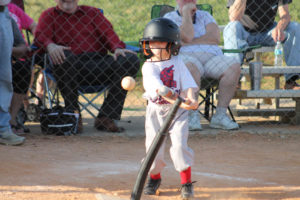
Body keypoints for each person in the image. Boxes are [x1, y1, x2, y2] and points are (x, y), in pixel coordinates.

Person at [34, 0, 140, 133]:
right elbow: (39, 37)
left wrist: (117, 48)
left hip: (98, 62)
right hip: (68, 66)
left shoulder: (92, 13)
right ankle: (73, 115)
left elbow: (109, 34)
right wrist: (50, 45)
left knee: (129, 59)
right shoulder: (49, 15)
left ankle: (107, 116)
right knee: (64, 56)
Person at [140, 18, 198, 199]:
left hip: (177, 113)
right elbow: (161, 90)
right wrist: (178, 99)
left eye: (160, 41)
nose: (155, 46)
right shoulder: (148, 67)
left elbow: (188, 84)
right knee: (153, 151)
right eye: (152, 42)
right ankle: (155, 178)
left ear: (171, 44)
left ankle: (186, 184)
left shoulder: (178, 62)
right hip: (156, 112)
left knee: (180, 147)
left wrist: (191, 98)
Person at [164, 0, 241, 130]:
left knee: (234, 66)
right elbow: (187, 36)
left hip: (212, 59)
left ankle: (220, 116)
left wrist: (188, 42)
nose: (189, 2)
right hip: (187, 59)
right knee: (190, 67)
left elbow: (215, 38)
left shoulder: (205, 15)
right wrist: (187, 15)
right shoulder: (169, 18)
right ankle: (192, 114)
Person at [224, 0, 300, 90]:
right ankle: (233, 79)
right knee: (231, 27)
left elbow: (285, 15)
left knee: (294, 27)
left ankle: (291, 80)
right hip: (243, 33)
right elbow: (233, 18)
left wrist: (280, 27)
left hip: (268, 32)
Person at [7, 2, 37, 134]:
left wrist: (38, 42)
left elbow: (33, 26)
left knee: (23, 69)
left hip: (16, 56)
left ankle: (11, 120)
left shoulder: (13, 10)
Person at [0, 0, 25, 145]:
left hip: (2, 16)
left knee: (4, 81)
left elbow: (21, 45)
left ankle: (3, 129)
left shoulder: (7, 16)